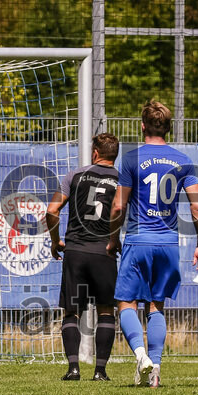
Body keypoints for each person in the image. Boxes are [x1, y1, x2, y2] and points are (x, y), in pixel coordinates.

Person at [108, 100, 198, 387]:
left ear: (142, 126)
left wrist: (114, 238)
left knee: (126, 302)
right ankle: (155, 373)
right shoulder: (183, 160)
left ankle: (141, 356)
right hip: (167, 243)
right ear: (168, 127)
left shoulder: (130, 158)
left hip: (138, 240)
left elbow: (118, 208)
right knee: (156, 306)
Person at [46, 133, 121, 381]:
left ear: (96, 152)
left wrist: (56, 240)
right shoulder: (121, 180)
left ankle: (73, 368)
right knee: (107, 312)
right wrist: (114, 239)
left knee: (71, 312)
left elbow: (52, 210)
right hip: (104, 252)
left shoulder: (75, 175)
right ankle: (100, 371)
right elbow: (121, 211)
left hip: (76, 252)